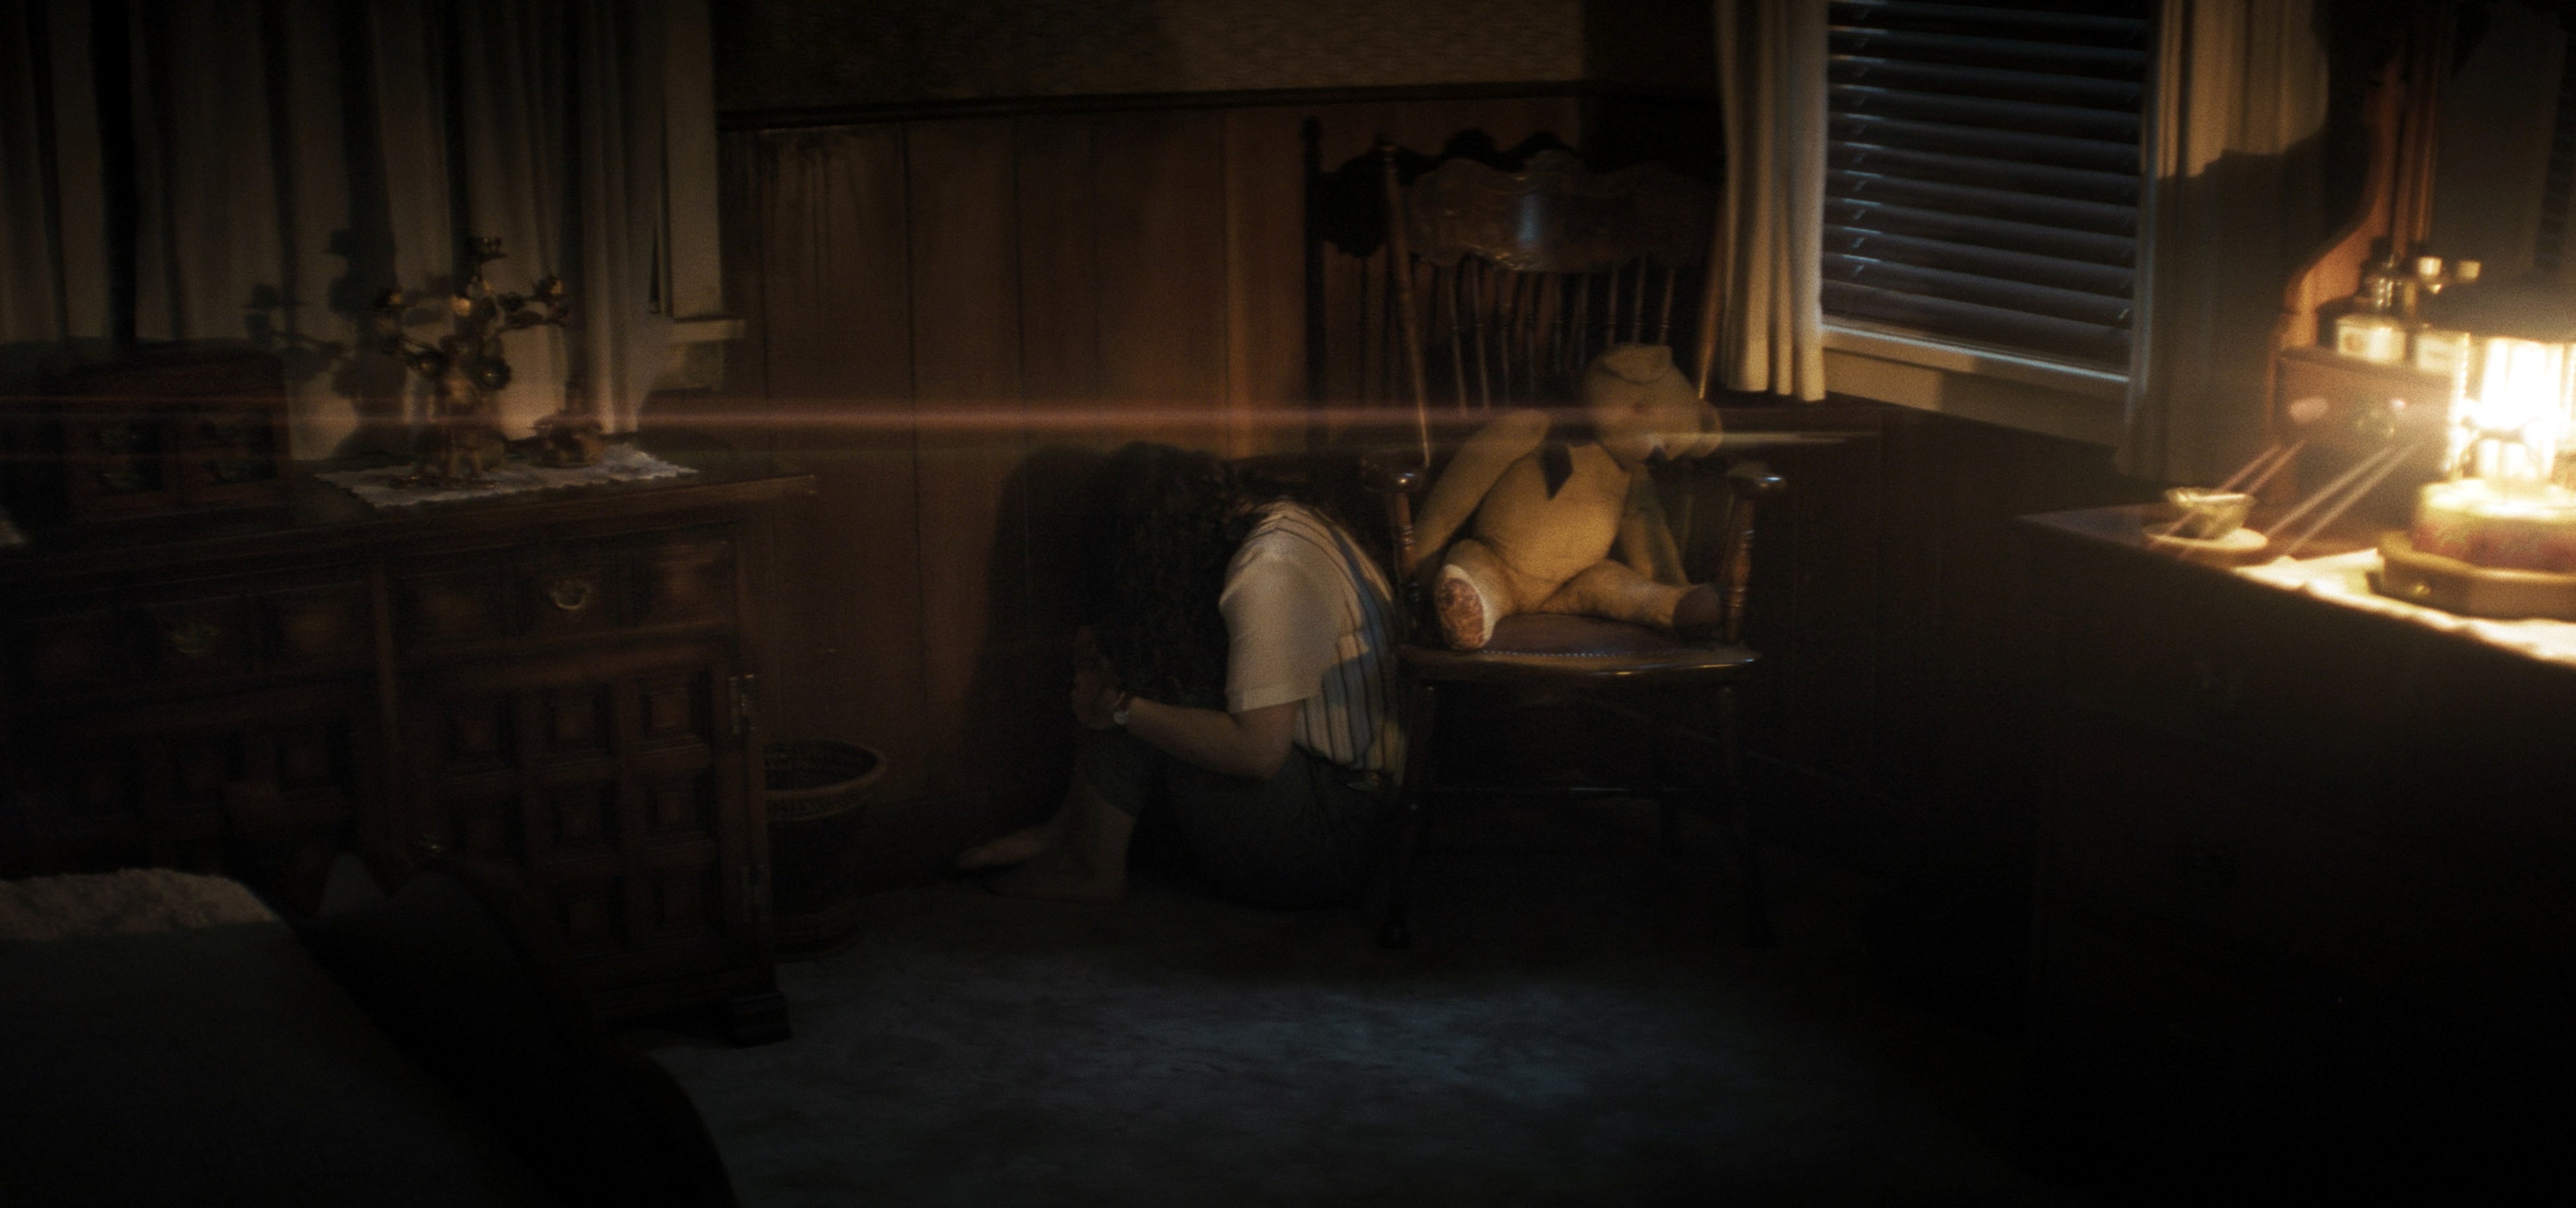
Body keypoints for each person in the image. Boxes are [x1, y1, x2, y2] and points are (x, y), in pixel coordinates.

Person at [954, 442, 1404, 907]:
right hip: (1342, 805)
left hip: (1339, 831)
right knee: (1139, 651)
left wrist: (1123, 710)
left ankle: (1089, 864)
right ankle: (1068, 833)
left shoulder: (1270, 566)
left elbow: (1260, 752)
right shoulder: (1275, 522)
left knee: (1146, 672)